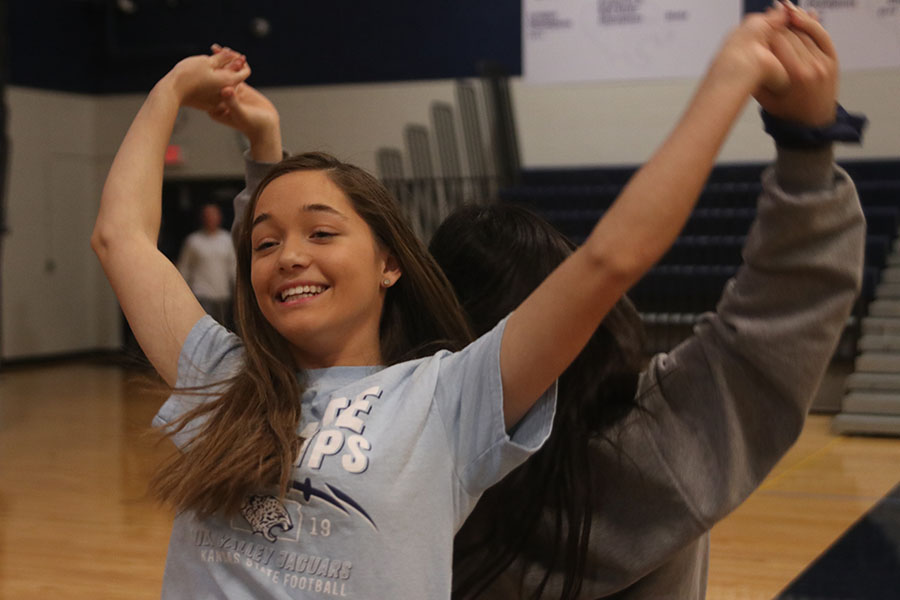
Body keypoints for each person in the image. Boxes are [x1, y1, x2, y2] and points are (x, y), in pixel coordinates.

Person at [93, 6, 808, 599]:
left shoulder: (448, 399)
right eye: (265, 246)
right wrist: (172, 93)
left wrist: (731, 78)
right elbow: (120, 237)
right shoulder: (222, 375)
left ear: (390, 264)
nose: (289, 257)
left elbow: (610, 258)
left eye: (321, 232)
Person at [430, 7, 865, 599]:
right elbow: (769, 321)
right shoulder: (650, 450)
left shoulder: (405, 446)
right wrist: (806, 145)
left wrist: (266, 156)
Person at [176, 202, 236, 326]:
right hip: (201, 293)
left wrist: (237, 291)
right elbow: (184, 268)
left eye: (214, 215)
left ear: (219, 217)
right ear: (202, 218)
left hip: (222, 294)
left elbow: (233, 268)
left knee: (222, 329)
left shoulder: (227, 240)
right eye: (207, 215)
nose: (211, 218)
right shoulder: (193, 241)